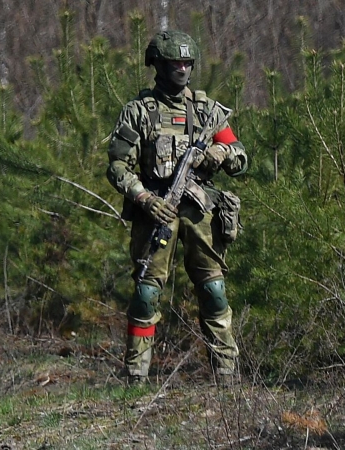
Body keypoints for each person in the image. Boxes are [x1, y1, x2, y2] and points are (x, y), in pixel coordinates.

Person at [106, 30, 248, 384]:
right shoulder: (139, 112)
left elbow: (241, 158)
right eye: (175, 62)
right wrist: (144, 198)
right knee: (146, 293)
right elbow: (118, 167)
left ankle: (227, 375)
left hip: (200, 211)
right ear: (158, 64)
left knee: (214, 291)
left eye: (187, 62)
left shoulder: (207, 111)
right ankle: (137, 376)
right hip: (157, 211)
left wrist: (223, 152)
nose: (182, 69)